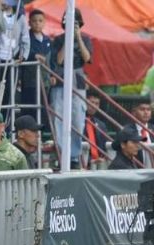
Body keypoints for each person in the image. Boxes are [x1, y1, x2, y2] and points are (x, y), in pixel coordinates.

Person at [49, 8, 92, 169]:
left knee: (77, 119)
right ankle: (61, 153)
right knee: (59, 118)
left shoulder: (86, 39)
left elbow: (87, 58)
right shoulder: (58, 39)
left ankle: (74, 156)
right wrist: (68, 38)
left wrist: (78, 36)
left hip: (78, 80)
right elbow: (59, 60)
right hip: (61, 79)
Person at [84, 93, 112, 166]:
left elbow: (106, 144)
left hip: (100, 162)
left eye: (97, 104)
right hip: (84, 161)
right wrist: (91, 160)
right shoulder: (76, 122)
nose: (94, 106)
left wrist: (103, 158)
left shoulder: (101, 125)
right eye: (91, 102)